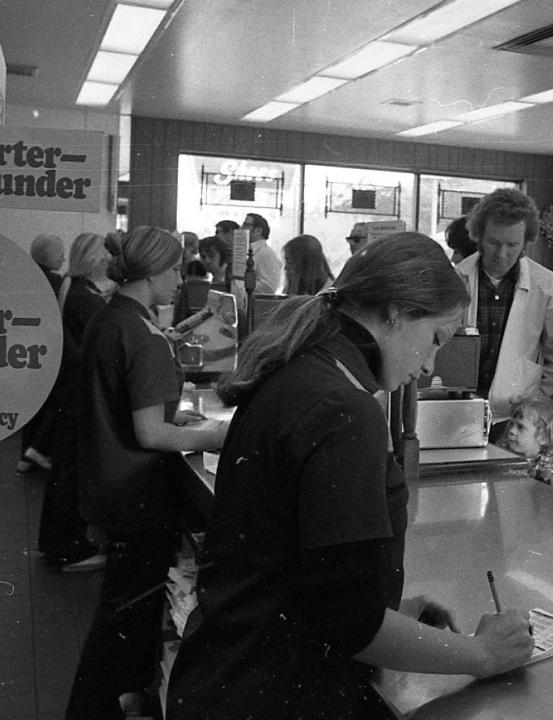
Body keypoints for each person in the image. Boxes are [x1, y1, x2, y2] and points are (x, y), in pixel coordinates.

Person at [166, 233, 533, 720]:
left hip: (226, 673)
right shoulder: (345, 410)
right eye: (436, 339)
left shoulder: (301, 370)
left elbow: (302, 571)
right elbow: (352, 626)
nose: (428, 365)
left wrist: (388, 607)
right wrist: (483, 654)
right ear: (398, 312)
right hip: (272, 693)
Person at [66, 226, 229, 720]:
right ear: (154, 272)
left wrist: (170, 414)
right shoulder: (143, 334)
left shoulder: (109, 317)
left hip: (104, 483)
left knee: (122, 604)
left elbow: (124, 403)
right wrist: (214, 436)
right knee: (127, 609)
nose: (180, 280)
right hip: (135, 493)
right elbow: (151, 435)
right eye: (175, 270)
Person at [455, 188, 553, 429]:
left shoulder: (547, 285)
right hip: (459, 408)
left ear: (527, 241)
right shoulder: (457, 278)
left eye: (512, 244)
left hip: (518, 415)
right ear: (478, 236)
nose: (502, 254)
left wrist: (539, 403)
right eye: (493, 242)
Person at [37, 233, 112, 570]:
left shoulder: (71, 288)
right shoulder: (88, 299)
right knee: (71, 474)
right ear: (96, 260)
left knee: (62, 471)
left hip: (67, 391)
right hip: (81, 395)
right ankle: (68, 546)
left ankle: (55, 541)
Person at [17, 233, 67, 473]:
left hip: (23, 350)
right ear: (50, 257)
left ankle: (27, 455)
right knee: (55, 401)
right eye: (61, 253)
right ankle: (37, 451)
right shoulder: (56, 283)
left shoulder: (22, 276)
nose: (64, 257)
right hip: (47, 349)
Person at [502, 398, 553, 486]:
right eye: (511, 424)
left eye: (520, 427)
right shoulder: (502, 454)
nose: (512, 431)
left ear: (543, 437)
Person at [242, 213, 283, 294]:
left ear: (258, 230)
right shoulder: (247, 250)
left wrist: (241, 284)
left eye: (246, 225)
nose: (241, 228)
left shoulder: (267, 254)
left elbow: (269, 287)